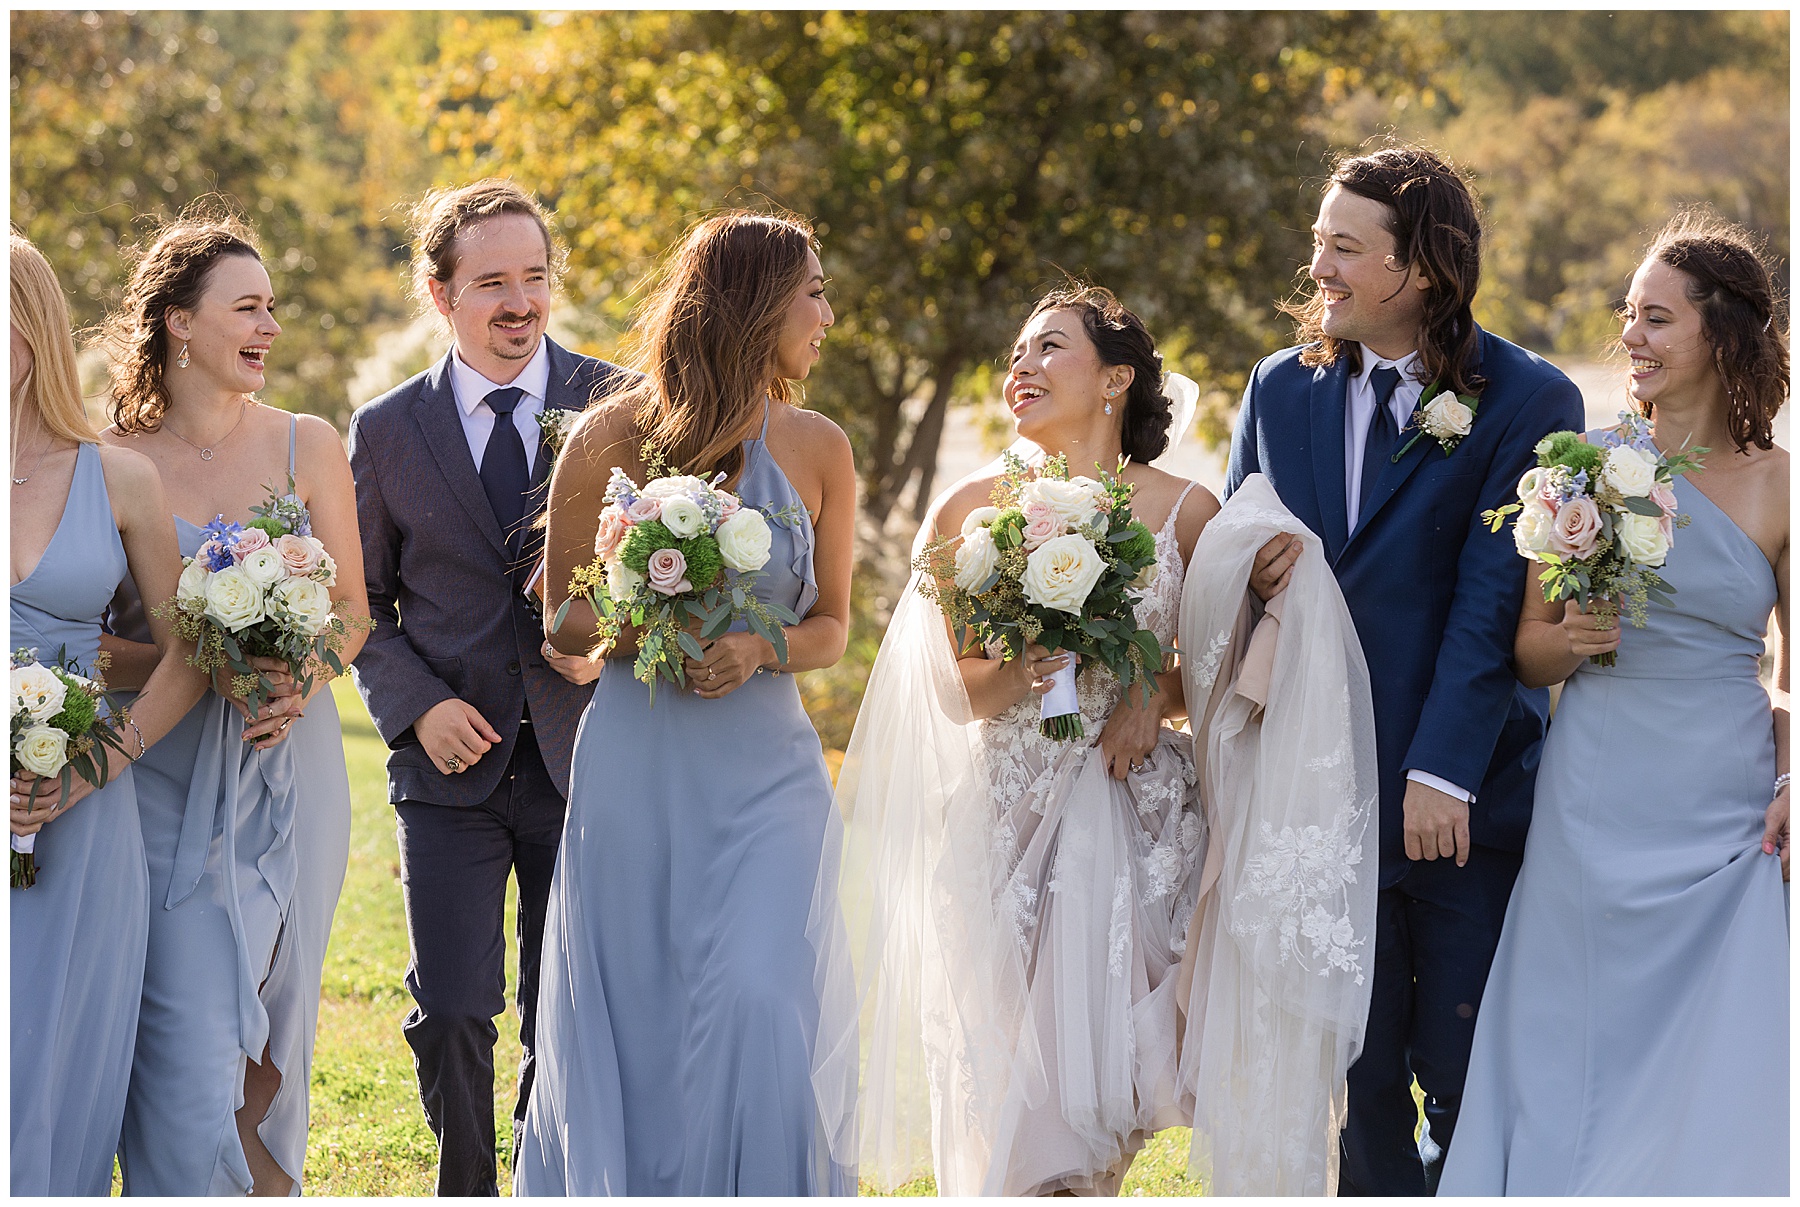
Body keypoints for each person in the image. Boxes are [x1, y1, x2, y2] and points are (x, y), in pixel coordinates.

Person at [817, 285, 1377, 1195]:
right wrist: (1026, 666)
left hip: (1139, 828)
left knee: (1107, 1105)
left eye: (1048, 349)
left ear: (1116, 377)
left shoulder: (1189, 511)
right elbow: (957, 694)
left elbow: (1220, 670)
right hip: (1009, 827)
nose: (1021, 368)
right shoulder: (969, 511)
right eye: (1016, 356)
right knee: (1022, 1105)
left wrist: (1150, 697)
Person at [1223, 143, 1586, 1195]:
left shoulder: (1528, 397)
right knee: (1356, 1073)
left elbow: (1488, 603)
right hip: (1313, 790)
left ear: (1419, 267)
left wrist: (1443, 773)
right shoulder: (1276, 387)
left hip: (1459, 797)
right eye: (1319, 240)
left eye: (1346, 246)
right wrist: (1252, 569)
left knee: (1466, 1063)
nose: (1319, 267)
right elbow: (1236, 564)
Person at [1441, 212, 1789, 1196]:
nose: (1630, 337)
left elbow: (1796, 670)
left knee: (1721, 1032)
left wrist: (1796, 772)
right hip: (1595, 795)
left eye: (1657, 318)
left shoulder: (1781, 487)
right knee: (1577, 1027)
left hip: (1725, 799)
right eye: (1628, 315)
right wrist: (1573, 638)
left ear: (1722, 337)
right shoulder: (1579, 466)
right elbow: (1529, 649)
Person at [513, 210, 856, 1196]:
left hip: (770, 781)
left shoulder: (820, 446)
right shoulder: (610, 436)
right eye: (815, 292)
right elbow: (563, 623)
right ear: (757, 306)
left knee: (760, 999)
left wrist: (761, 647)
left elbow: (831, 626)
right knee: (643, 1015)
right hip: (641, 767)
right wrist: (643, 611)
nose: (828, 314)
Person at [348, 179, 630, 1195]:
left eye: (536, 279)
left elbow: (663, 574)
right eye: (493, 283)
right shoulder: (383, 431)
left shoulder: (619, 401)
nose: (520, 303)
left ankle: (546, 1172)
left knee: (568, 1003)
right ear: (440, 293)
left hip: (587, 755)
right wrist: (418, 704)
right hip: (446, 771)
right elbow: (360, 604)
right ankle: (465, 1182)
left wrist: (608, 638)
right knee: (458, 1005)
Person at [92, 207, 366, 1195]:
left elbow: (354, 612)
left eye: (273, 308)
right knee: (191, 1022)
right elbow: (93, 640)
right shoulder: (106, 458)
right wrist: (190, 656)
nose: (269, 328)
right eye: (247, 307)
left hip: (291, 761)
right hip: (161, 776)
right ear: (179, 323)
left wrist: (300, 671)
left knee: (281, 1012)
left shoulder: (307, 443)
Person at [9, 233, 207, 1196]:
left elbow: (190, 654)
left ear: (32, 327)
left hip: (81, 825)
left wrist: (101, 763)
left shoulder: (119, 477)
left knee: (56, 1075)